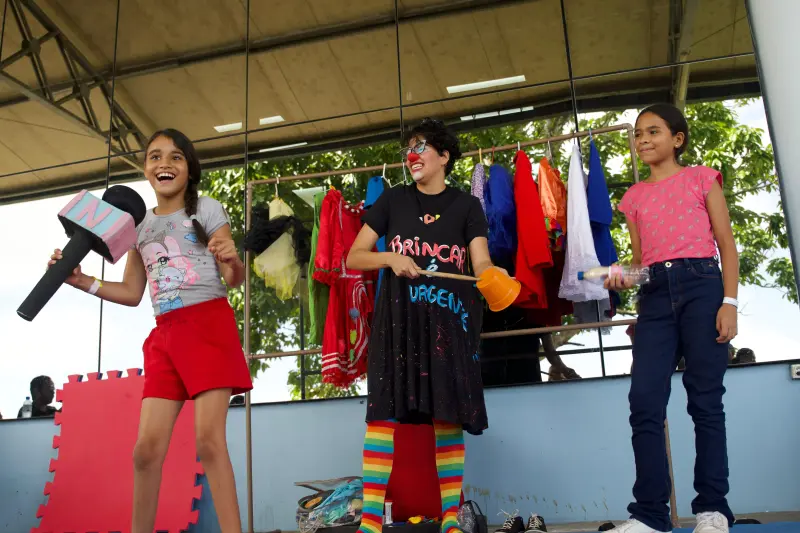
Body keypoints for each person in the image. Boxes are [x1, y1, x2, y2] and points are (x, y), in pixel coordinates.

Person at [47, 129, 252, 533]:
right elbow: (132, 292)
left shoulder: (207, 209)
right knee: (145, 452)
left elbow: (233, 278)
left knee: (208, 441)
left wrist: (232, 260)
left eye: (176, 157)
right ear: (145, 169)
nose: (165, 164)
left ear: (190, 169)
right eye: (155, 156)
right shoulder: (138, 228)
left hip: (208, 325)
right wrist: (82, 281)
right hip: (165, 336)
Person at [347, 119, 528, 533]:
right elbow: (354, 257)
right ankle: (371, 522)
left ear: (444, 156)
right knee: (382, 416)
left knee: (446, 416)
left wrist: (490, 274)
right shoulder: (392, 201)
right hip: (397, 327)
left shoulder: (468, 206)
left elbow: (479, 260)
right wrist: (390, 258)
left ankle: (450, 516)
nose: (412, 154)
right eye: (408, 147)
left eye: (421, 146)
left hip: (449, 325)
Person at [606, 103, 739, 533]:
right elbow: (642, 263)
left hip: (703, 285)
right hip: (655, 298)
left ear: (677, 139)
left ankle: (712, 510)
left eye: (653, 132)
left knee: (705, 401)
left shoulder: (702, 177)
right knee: (643, 402)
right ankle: (649, 515)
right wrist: (622, 276)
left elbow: (726, 245)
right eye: (638, 134)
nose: (642, 140)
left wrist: (729, 303)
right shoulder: (633, 198)